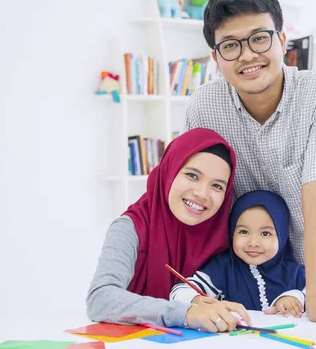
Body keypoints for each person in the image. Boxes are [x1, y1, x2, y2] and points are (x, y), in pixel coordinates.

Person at [184, 0, 316, 327]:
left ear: (281, 41)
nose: (247, 55)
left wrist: (315, 296)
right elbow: (202, 197)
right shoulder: (204, 106)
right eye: (230, 45)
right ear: (216, 57)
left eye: (259, 38)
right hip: (253, 281)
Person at [86, 128, 252, 333]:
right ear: (169, 170)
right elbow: (100, 299)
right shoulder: (130, 227)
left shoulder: (226, 238)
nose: (202, 193)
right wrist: (186, 313)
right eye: (192, 175)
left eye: (217, 186)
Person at [170, 190, 306, 318]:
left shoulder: (295, 273)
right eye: (243, 232)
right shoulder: (224, 267)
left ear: (282, 237)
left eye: (265, 233)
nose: (253, 242)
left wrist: (295, 297)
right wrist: (196, 300)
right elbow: (179, 291)